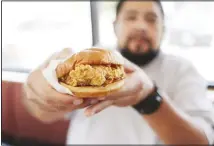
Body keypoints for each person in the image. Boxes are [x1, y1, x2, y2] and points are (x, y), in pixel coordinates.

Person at [23, 0, 214, 145]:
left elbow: (202, 140)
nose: (140, 26)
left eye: (151, 19)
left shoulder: (182, 71)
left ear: (163, 30)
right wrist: (38, 91)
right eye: (131, 17)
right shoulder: (89, 59)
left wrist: (147, 97)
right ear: (115, 26)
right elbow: (42, 114)